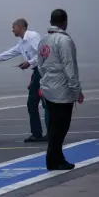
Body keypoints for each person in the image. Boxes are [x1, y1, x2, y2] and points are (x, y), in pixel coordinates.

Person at [0, 18, 48, 142]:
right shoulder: (21, 42)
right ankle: (37, 133)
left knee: (42, 103)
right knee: (33, 103)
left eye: (13, 27)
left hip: (44, 72)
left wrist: (29, 62)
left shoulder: (32, 36)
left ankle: (44, 133)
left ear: (20, 27)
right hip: (37, 72)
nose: (12, 30)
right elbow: (9, 53)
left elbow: (42, 53)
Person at [38, 9, 84, 170]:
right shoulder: (65, 41)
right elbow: (69, 67)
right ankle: (53, 159)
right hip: (63, 91)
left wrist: (45, 83)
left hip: (48, 88)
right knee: (61, 126)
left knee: (53, 126)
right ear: (64, 22)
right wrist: (76, 90)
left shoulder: (44, 40)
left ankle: (57, 157)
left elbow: (40, 66)